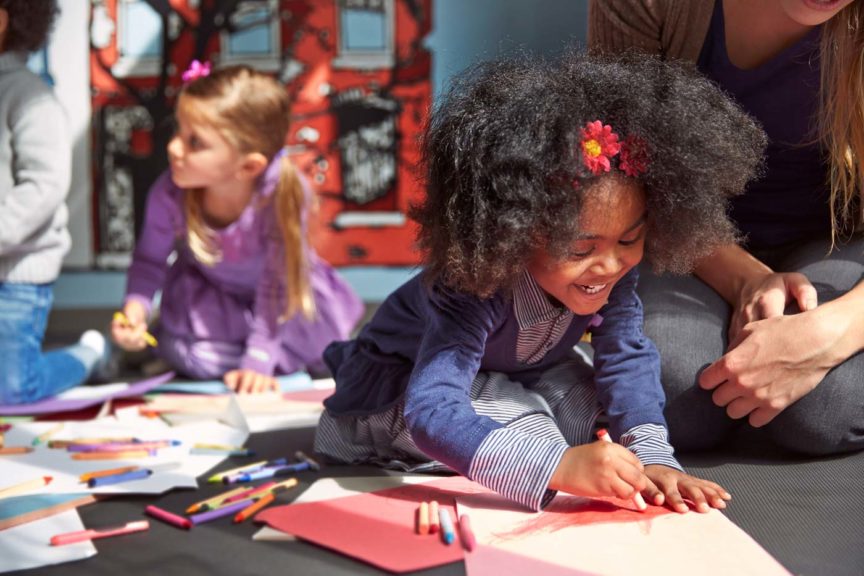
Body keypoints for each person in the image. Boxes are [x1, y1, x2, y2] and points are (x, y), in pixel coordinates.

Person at [314, 51, 766, 512]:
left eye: (629, 240)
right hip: (404, 386)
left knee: (604, 426)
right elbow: (432, 409)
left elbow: (626, 360)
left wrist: (653, 458)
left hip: (521, 373)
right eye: (580, 249)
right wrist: (559, 467)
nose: (609, 266)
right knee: (533, 429)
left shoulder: (613, 277)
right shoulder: (472, 285)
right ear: (517, 231)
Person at [589, 0, 864, 455]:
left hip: (841, 239)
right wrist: (746, 279)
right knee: (672, 394)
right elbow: (627, 170)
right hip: (681, 237)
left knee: (821, 410)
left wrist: (831, 332)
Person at [111, 64, 364, 394]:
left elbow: (277, 284)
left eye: (194, 141)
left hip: (281, 300)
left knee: (323, 352)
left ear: (248, 166)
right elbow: (149, 261)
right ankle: (171, 344)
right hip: (211, 295)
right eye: (178, 131)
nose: (173, 147)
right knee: (191, 356)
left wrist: (258, 359)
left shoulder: (281, 193)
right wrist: (135, 310)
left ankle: (266, 353)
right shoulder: (169, 192)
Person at [0, 0, 109, 405]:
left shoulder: (30, 97)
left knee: (13, 389)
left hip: (16, 274)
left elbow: (43, 186)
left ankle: (90, 354)